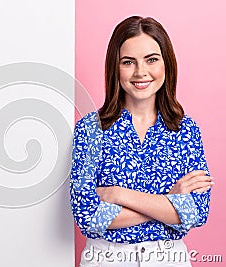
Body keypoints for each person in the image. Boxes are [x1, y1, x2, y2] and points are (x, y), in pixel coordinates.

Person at [70, 16, 213, 267]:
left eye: (151, 59)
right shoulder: (91, 129)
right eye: (128, 62)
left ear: (166, 63)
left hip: (168, 258)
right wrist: (168, 200)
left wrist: (118, 194)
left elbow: (196, 213)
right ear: (115, 66)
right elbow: (87, 216)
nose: (140, 72)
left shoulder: (186, 130)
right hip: (106, 259)